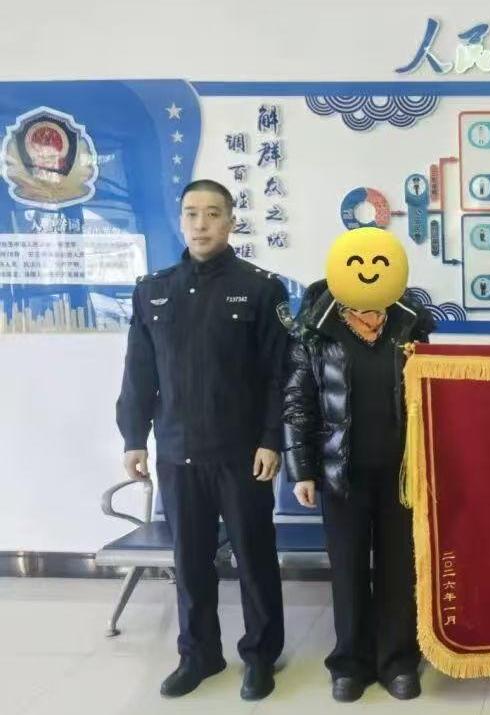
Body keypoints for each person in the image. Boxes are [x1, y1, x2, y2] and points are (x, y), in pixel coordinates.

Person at [116, 179, 289, 701]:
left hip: (242, 454)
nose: (201, 224)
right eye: (192, 213)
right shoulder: (154, 290)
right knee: (190, 561)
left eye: (213, 213)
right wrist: (133, 437)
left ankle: (259, 656)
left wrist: (271, 439)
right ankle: (199, 655)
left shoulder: (260, 289)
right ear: (180, 220)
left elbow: (278, 376)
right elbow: (139, 372)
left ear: (231, 221)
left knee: (254, 558)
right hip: (176, 451)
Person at [284, 228, 435, 703]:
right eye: (358, 263)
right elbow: (298, 401)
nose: (369, 272)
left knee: (398, 570)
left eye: (378, 263)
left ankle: (398, 661)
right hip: (340, 474)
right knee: (348, 570)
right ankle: (350, 662)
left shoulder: (411, 321)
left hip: (401, 474)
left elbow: (432, 395)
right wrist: (303, 470)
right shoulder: (316, 324)